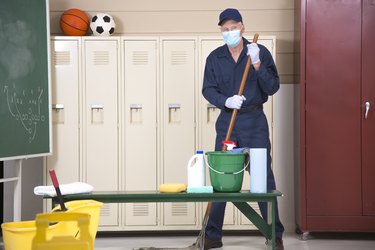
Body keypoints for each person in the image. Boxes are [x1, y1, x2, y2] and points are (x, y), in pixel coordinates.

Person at [202, 8, 285, 250]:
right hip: (227, 121)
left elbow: (273, 87)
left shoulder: (258, 52)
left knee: (262, 180)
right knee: (222, 180)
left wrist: (258, 65)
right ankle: (212, 235)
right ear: (221, 31)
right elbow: (207, 89)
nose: (229, 32)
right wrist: (225, 101)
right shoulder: (215, 58)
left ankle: (273, 234)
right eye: (225, 29)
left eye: (233, 27)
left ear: (242, 27)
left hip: (254, 122)